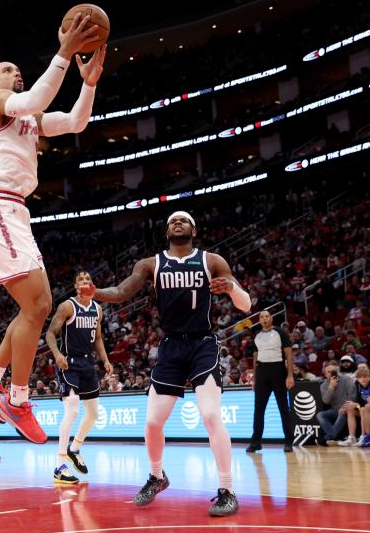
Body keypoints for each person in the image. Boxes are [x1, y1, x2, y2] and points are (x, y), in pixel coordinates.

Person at [0, 15, 105, 444]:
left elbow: (76, 122)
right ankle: (16, 399)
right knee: (39, 304)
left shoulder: (29, 120)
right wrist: (63, 52)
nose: (15, 73)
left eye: (16, 70)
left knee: (35, 308)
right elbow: (38, 96)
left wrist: (90, 82)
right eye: (6, 70)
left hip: (14, 213)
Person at [84, 211, 250, 516]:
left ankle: (227, 489)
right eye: (172, 219)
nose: (177, 222)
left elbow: (246, 304)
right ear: (166, 232)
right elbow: (121, 293)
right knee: (151, 424)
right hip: (171, 346)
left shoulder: (211, 261)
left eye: (184, 219)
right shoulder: (151, 264)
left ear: (194, 229)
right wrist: (95, 293)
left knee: (211, 416)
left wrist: (232, 289)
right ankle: (157, 477)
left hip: (203, 343)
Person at [44, 270, 113, 485]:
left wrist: (105, 359)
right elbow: (49, 333)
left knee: (93, 414)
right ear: (76, 286)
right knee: (72, 408)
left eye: (88, 279)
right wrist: (57, 355)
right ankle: (60, 465)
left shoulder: (97, 309)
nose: (85, 282)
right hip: (69, 363)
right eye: (81, 280)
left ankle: (75, 448)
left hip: (88, 363)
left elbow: (98, 338)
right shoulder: (67, 306)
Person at [246, 311, 294, 453]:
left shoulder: (280, 332)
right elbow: (255, 358)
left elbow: (289, 355)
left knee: (283, 408)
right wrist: (254, 379)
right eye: (261, 317)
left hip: (278, 370)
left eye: (267, 316)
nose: (264, 319)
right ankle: (256, 442)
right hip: (262, 372)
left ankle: (288, 442)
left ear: (271, 319)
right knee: (258, 410)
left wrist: (290, 375)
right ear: (259, 320)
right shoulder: (256, 335)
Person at [316, 362, 357, 446]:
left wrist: (344, 407)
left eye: (333, 371)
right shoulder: (324, 385)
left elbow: (353, 396)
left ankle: (327, 438)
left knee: (342, 412)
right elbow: (326, 401)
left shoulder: (346, 379)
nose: (332, 373)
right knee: (320, 415)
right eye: (329, 372)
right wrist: (331, 387)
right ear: (325, 374)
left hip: (349, 408)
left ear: (337, 371)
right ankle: (332, 435)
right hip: (335, 409)